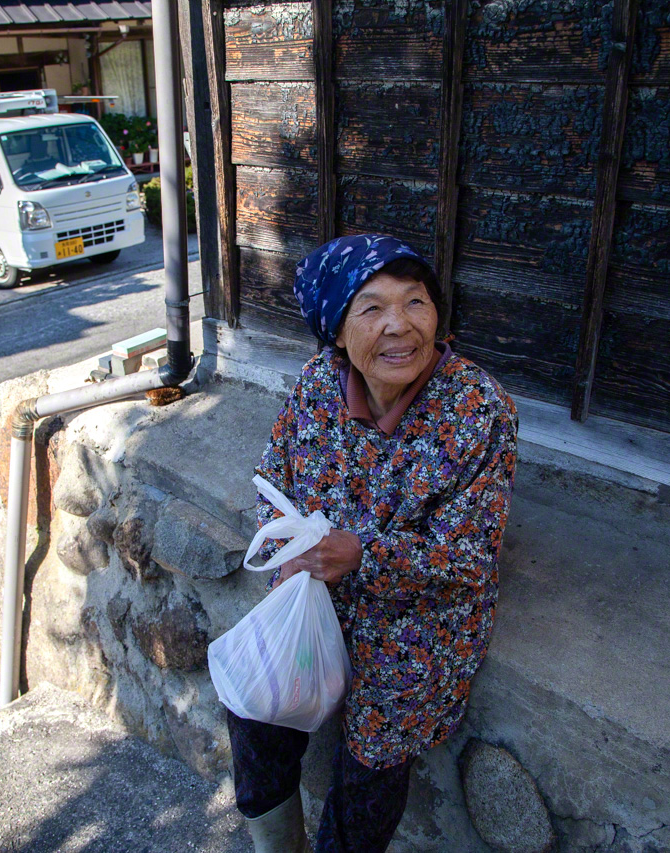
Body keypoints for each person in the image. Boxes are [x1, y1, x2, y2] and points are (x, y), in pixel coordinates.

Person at [229, 234, 518, 853]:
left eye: (416, 304)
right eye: (372, 309)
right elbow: (271, 482)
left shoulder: (477, 409)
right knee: (256, 703)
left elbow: (468, 555)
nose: (400, 327)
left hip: (421, 615)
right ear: (336, 331)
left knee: (375, 750)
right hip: (318, 593)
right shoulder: (316, 385)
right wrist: (291, 555)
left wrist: (364, 554)